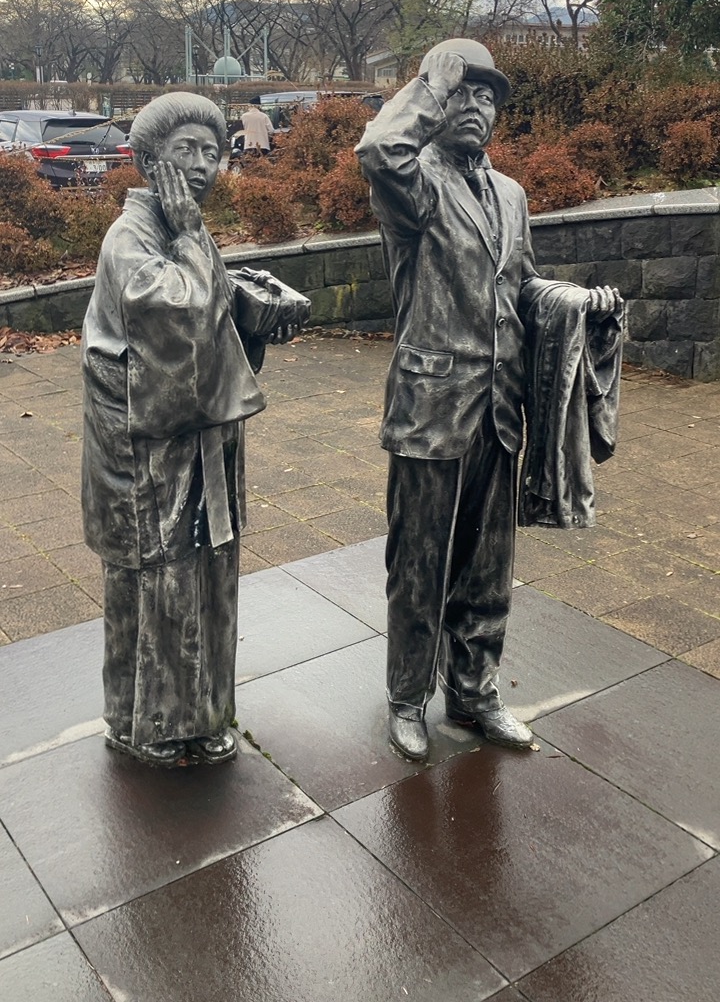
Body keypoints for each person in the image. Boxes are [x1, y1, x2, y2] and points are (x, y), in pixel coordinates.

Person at [355, 40, 623, 761]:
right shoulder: (414, 184)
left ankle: (474, 692)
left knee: (487, 567)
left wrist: (575, 303)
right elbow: (379, 150)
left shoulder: (511, 194)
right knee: (420, 564)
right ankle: (407, 698)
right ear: (437, 100)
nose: (476, 106)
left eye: (487, 97)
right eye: (462, 92)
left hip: (500, 409)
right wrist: (429, 85)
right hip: (432, 407)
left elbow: (521, 285)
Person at [81, 93, 309, 769]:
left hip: (194, 437)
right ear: (151, 159)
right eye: (187, 151)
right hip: (150, 452)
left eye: (213, 152)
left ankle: (203, 713)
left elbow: (212, 306)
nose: (205, 165)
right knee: (162, 580)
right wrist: (191, 243)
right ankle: (150, 725)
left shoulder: (181, 229)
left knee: (203, 570)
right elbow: (183, 314)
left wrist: (255, 313)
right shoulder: (133, 238)